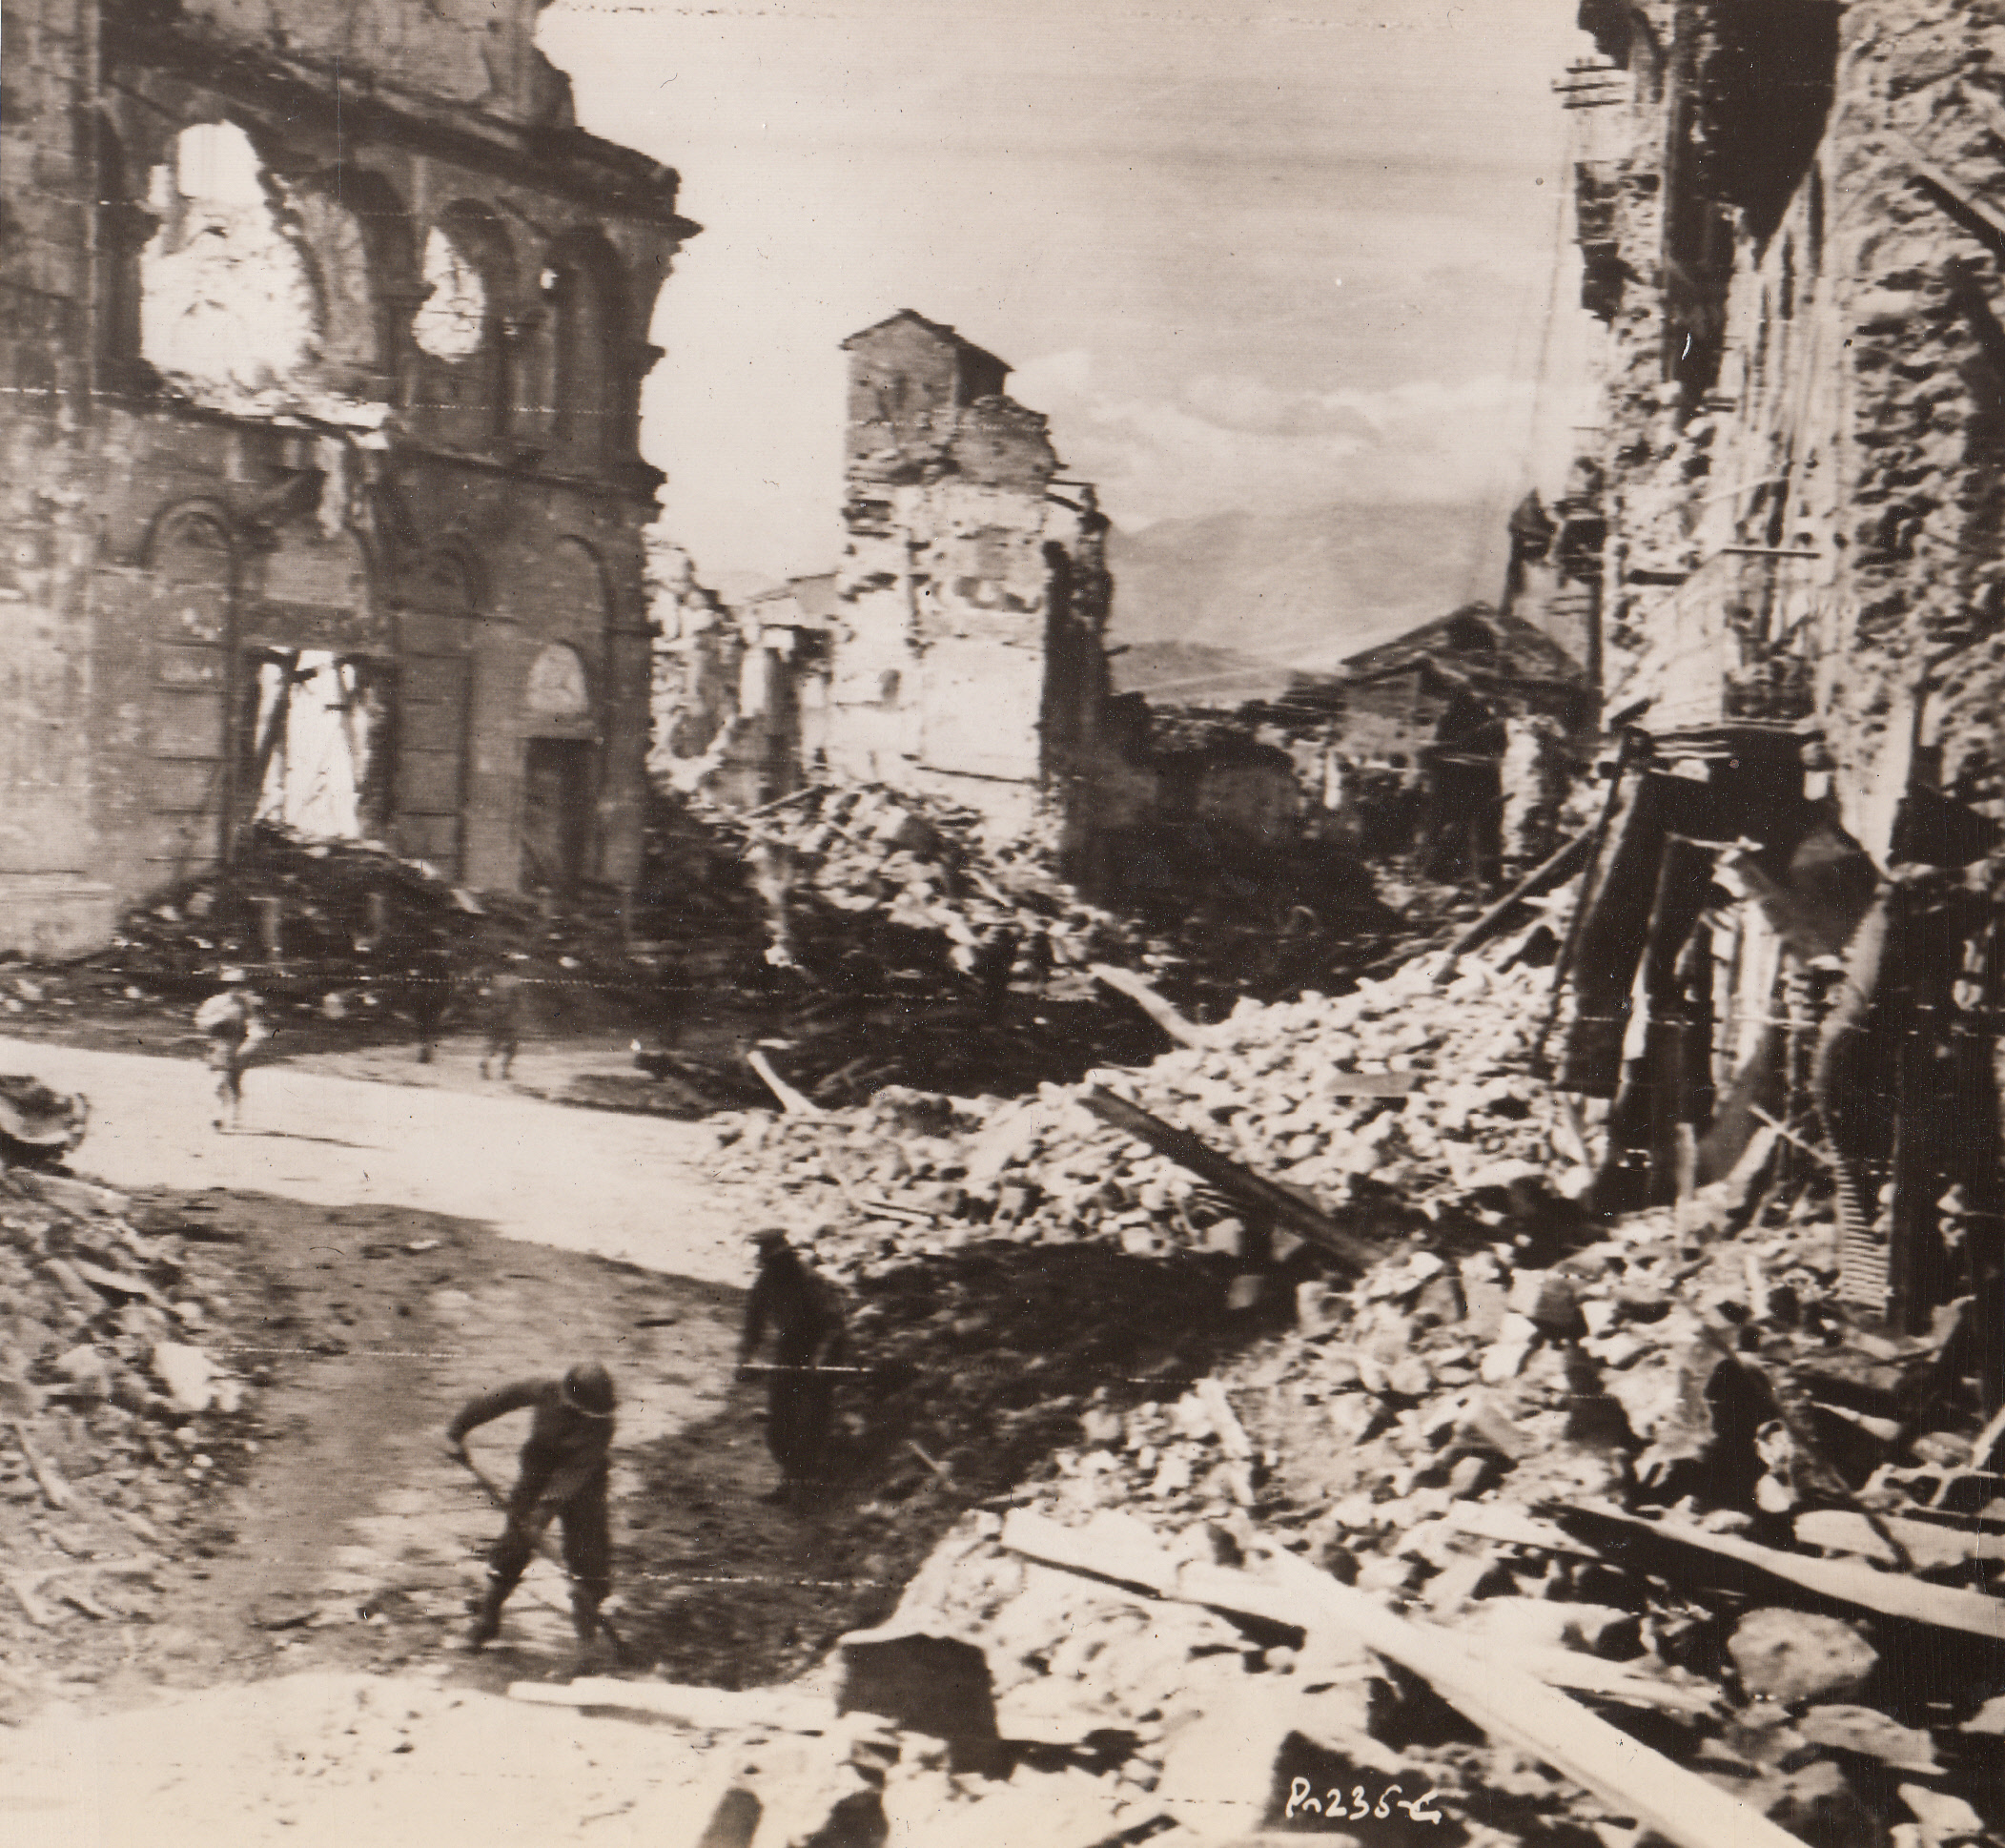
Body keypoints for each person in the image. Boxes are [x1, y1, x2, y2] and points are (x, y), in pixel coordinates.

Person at [446, 1361, 617, 1653]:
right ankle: (488, 1619)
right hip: (537, 1473)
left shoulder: (603, 1423)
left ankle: (587, 1637)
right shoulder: (544, 1389)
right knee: (514, 1544)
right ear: (567, 1397)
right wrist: (456, 1431)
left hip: (584, 1483)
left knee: (589, 1557)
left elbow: (573, 1474)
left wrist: (543, 1512)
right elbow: (498, 1401)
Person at [738, 1229, 848, 1505]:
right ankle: (789, 1482)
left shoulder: (807, 1279)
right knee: (780, 1420)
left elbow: (834, 1324)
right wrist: (745, 1358)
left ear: (785, 1257)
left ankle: (801, 1489)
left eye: (772, 1259)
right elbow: (753, 1322)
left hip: (823, 1347)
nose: (765, 1263)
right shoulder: (766, 1281)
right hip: (790, 1349)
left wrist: (819, 1364)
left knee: (809, 1419)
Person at [194, 977, 269, 1134]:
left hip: (239, 1048)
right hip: (219, 1046)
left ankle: (234, 1115)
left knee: (234, 1083)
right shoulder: (215, 1002)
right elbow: (200, 1020)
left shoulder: (246, 1005)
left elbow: (254, 1026)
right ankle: (218, 1116)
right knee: (219, 1082)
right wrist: (218, 1018)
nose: (235, 988)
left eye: (239, 985)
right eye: (231, 984)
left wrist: (253, 1039)